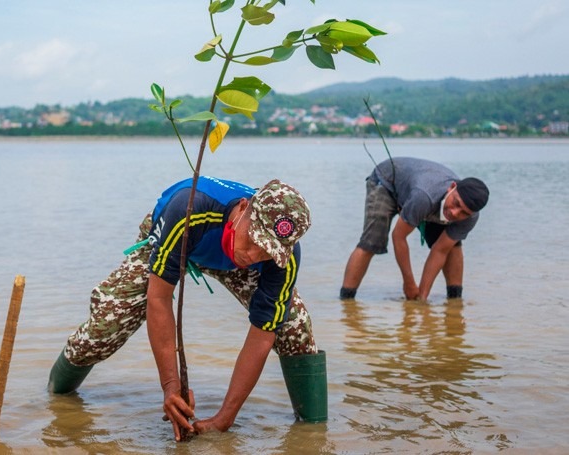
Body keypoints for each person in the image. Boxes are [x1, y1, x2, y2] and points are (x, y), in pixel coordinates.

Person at [48, 176, 327, 441]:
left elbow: (263, 333)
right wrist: (170, 386)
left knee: (293, 328)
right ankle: (55, 396)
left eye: (266, 251)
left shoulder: (282, 259)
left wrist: (224, 418)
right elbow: (158, 299)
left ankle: (313, 433)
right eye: (254, 240)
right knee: (106, 327)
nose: (253, 255)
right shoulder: (189, 209)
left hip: (223, 254)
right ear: (243, 208)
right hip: (176, 236)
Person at [340, 157, 489, 301]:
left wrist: (422, 298)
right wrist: (409, 283)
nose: (455, 213)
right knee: (371, 242)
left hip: (418, 192)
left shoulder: (470, 218)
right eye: (456, 203)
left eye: (464, 212)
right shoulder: (424, 196)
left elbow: (440, 250)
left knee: (453, 246)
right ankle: (345, 301)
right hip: (386, 183)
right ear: (452, 188)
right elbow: (398, 237)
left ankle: (455, 301)